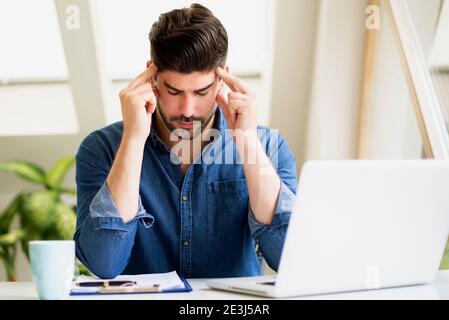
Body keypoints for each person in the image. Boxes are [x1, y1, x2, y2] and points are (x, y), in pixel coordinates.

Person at [75, 3, 297, 279]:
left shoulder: (269, 148)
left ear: (222, 78)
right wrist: (133, 140)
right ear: (151, 78)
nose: (188, 109)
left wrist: (248, 142)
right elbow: (104, 263)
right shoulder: (101, 149)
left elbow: (290, 258)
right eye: (174, 90)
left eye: (201, 91)